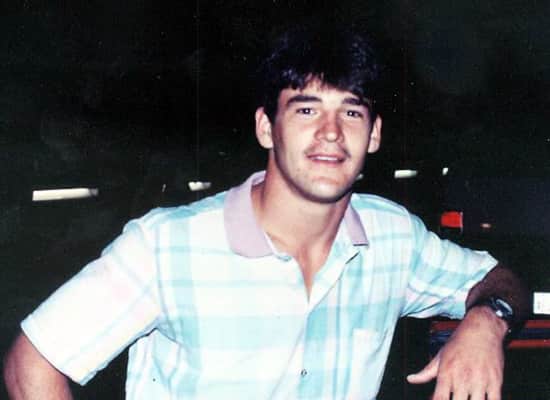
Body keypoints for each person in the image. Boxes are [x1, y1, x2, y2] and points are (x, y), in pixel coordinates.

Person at [3, 22, 529, 400]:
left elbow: (500, 280)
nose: (330, 132)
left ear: (374, 135)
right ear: (265, 128)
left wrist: (487, 322)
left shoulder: (394, 238)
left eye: (351, 112)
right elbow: (34, 361)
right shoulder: (167, 247)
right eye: (306, 109)